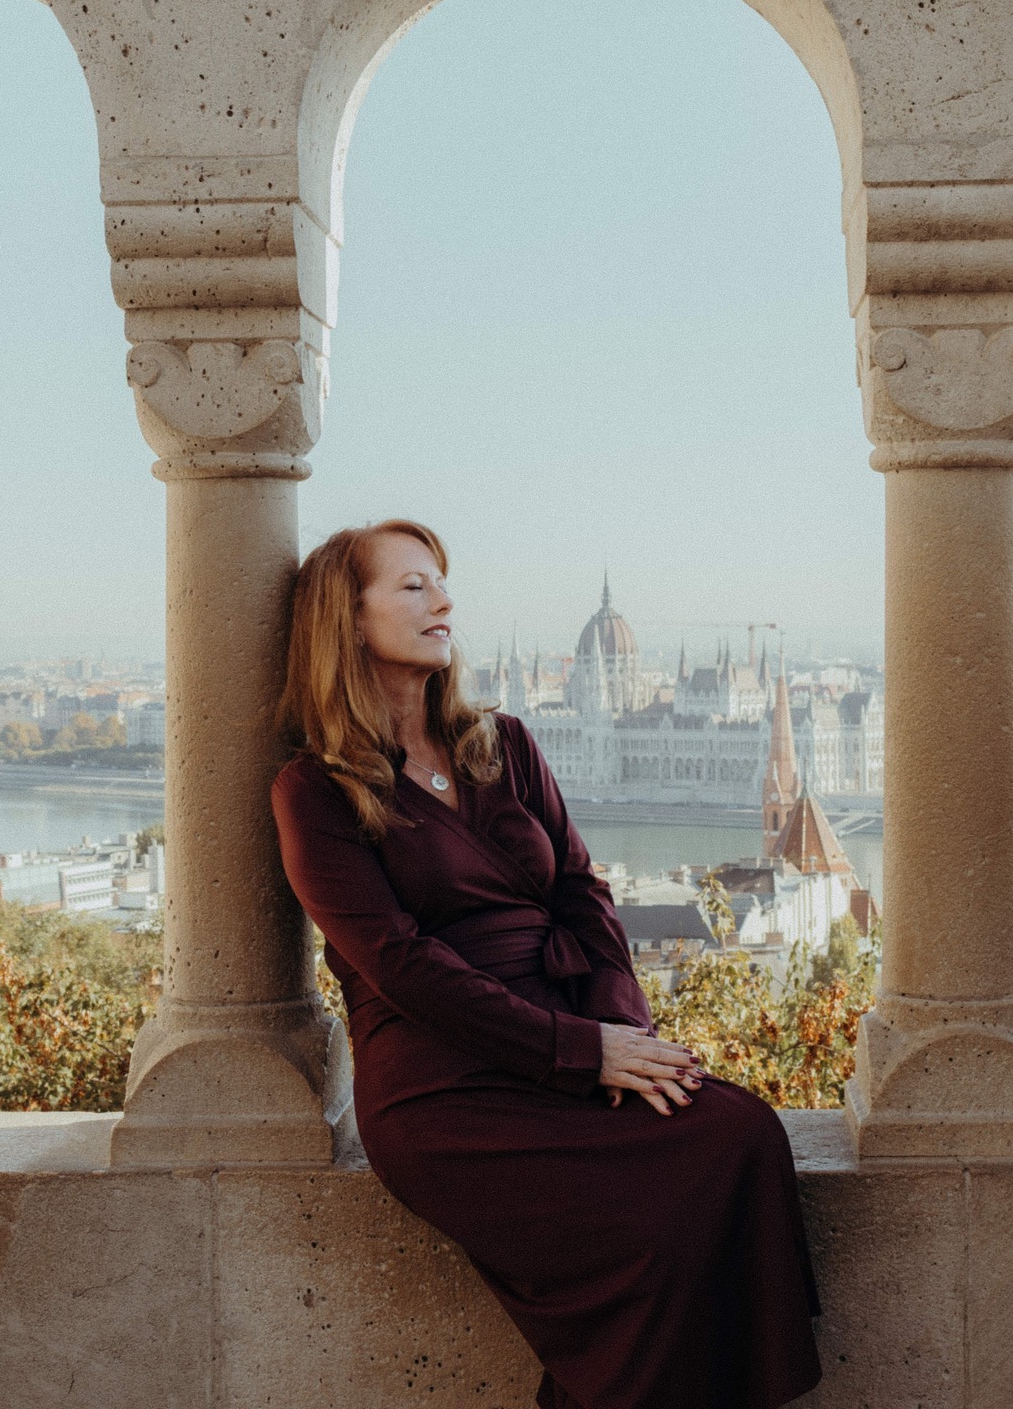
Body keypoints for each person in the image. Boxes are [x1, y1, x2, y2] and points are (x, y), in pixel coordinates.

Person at [270, 519, 822, 1409]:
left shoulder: (506, 745)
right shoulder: (317, 791)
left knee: (742, 1136)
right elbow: (402, 967)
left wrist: (622, 1028)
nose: (443, 600)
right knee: (665, 1220)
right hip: (444, 1079)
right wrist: (583, 1052)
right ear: (346, 617)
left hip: (569, 1026)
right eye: (413, 586)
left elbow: (582, 891)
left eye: (443, 583)